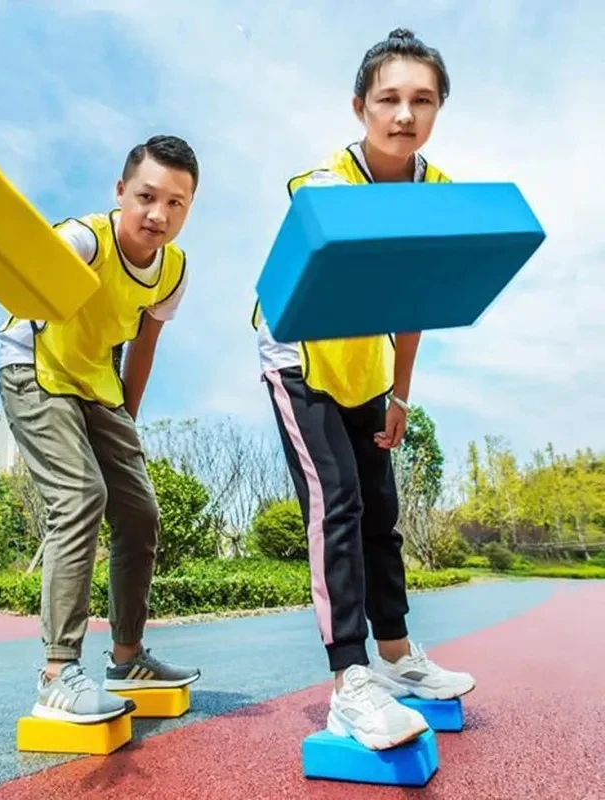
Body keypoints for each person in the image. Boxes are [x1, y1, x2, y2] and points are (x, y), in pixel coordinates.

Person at [252, 29, 475, 750]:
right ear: (360, 107)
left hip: (365, 371)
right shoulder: (325, 186)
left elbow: (416, 301)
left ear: (439, 110)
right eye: (389, 99)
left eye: (422, 100)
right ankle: (350, 680)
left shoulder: (434, 192)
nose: (405, 114)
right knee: (338, 504)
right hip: (300, 356)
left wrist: (400, 396)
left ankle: (400, 659)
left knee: (383, 508)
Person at [0, 135, 201, 724]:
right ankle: (57, 674)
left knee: (141, 513)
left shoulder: (171, 271)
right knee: (80, 497)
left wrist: (127, 414)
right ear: (120, 191)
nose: (159, 214)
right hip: (35, 366)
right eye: (147, 196)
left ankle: (127, 658)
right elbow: (33, 254)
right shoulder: (85, 237)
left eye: (177, 203)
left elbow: (144, 347)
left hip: (97, 384)